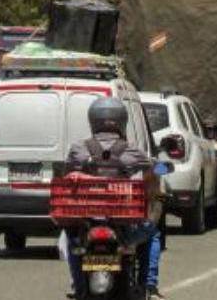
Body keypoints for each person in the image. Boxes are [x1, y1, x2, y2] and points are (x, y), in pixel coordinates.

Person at [62, 97, 165, 300]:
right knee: (152, 234)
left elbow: (66, 174)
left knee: (72, 239)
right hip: (122, 221)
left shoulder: (78, 149)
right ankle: (149, 287)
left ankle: (78, 287)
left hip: (87, 220)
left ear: (93, 121)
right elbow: (154, 171)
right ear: (121, 121)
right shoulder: (131, 150)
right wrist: (156, 178)